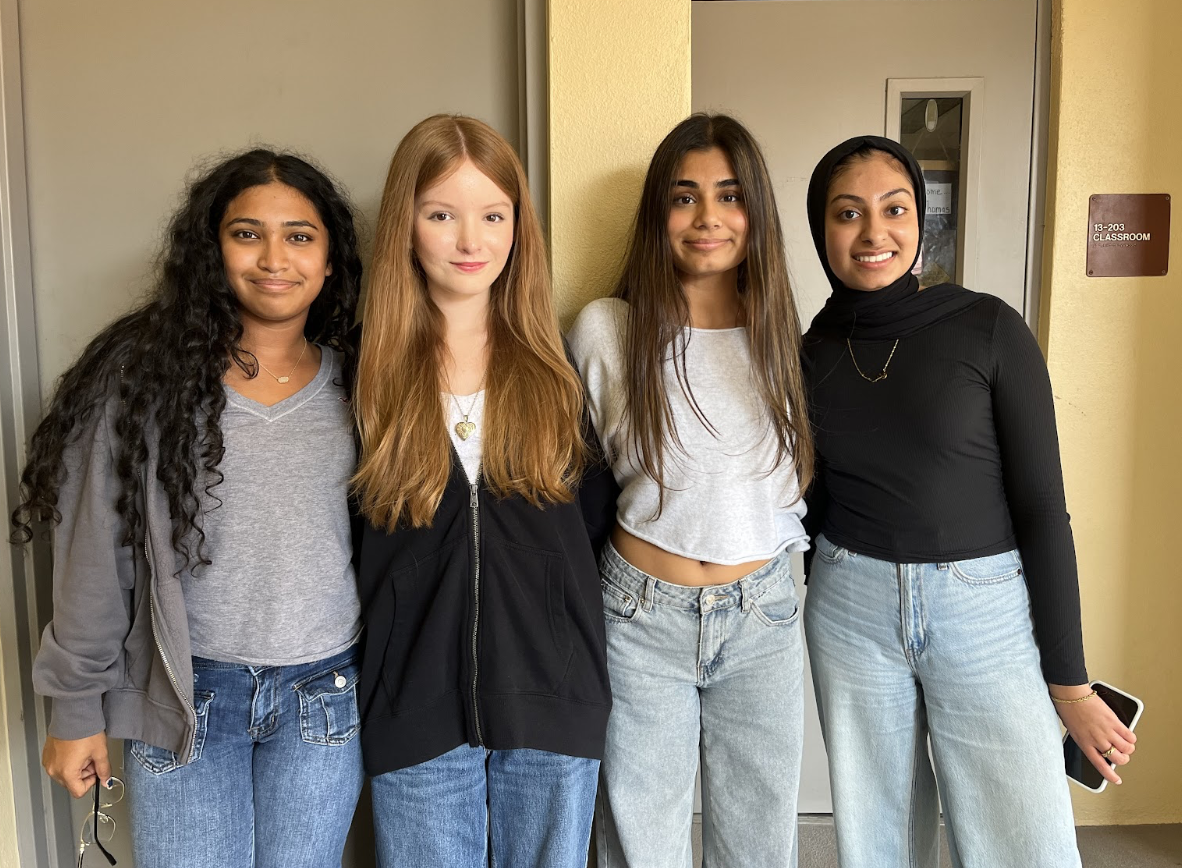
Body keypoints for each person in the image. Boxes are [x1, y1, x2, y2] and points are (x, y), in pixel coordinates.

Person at [14, 149, 365, 868]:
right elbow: (92, 559)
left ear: (330, 260)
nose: (275, 257)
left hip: (324, 698)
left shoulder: (365, 385)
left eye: (300, 235)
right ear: (211, 251)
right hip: (186, 701)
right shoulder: (143, 383)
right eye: (246, 233)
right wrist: (76, 710)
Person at [800, 135, 1136, 868]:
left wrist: (1070, 682)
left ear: (921, 220)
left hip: (981, 607)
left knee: (1024, 840)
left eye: (894, 209)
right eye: (847, 213)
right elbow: (811, 499)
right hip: (849, 607)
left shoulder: (987, 327)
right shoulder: (812, 348)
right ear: (820, 230)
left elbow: (1044, 509)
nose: (873, 232)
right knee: (876, 837)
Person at [352, 114, 616, 868]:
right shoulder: (363, 378)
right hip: (413, 712)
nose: (471, 241)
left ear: (518, 227)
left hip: (552, 705)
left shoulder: (560, 372)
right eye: (442, 215)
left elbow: (594, 533)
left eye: (492, 216)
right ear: (405, 226)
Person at [568, 113, 814, 867]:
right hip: (640, 615)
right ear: (657, 215)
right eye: (684, 197)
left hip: (764, 615)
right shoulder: (606, 330)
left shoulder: (785, 337)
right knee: (641, 841)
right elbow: (579, 484)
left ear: (756, 213)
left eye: (729, 196)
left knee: (759, 841)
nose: (708, 217)